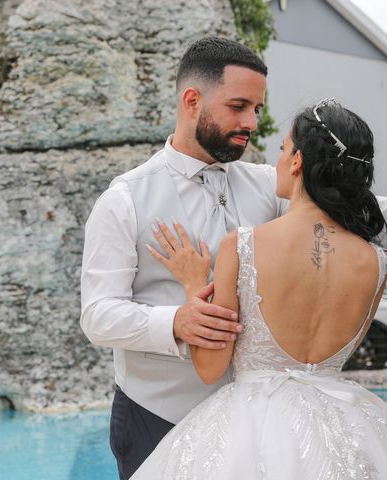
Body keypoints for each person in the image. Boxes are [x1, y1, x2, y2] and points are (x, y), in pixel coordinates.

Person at [131, 98, 387, 479]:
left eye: (283, 149)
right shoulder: (377, 263)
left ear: (298, 161)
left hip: (250, 429)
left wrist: (193, 284)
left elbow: (210, 367)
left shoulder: (243, 245)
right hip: (348, 427)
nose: (279, 160)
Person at [80, 36, 288, 479]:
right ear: (192, 100)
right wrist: (175, 323)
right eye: (238, 106)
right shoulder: (124, 199)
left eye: (257, 109)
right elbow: (97, 315)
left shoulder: (270, 186)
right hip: (155, 418)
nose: (251, 121)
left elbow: (347, 208)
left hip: (253, 420)